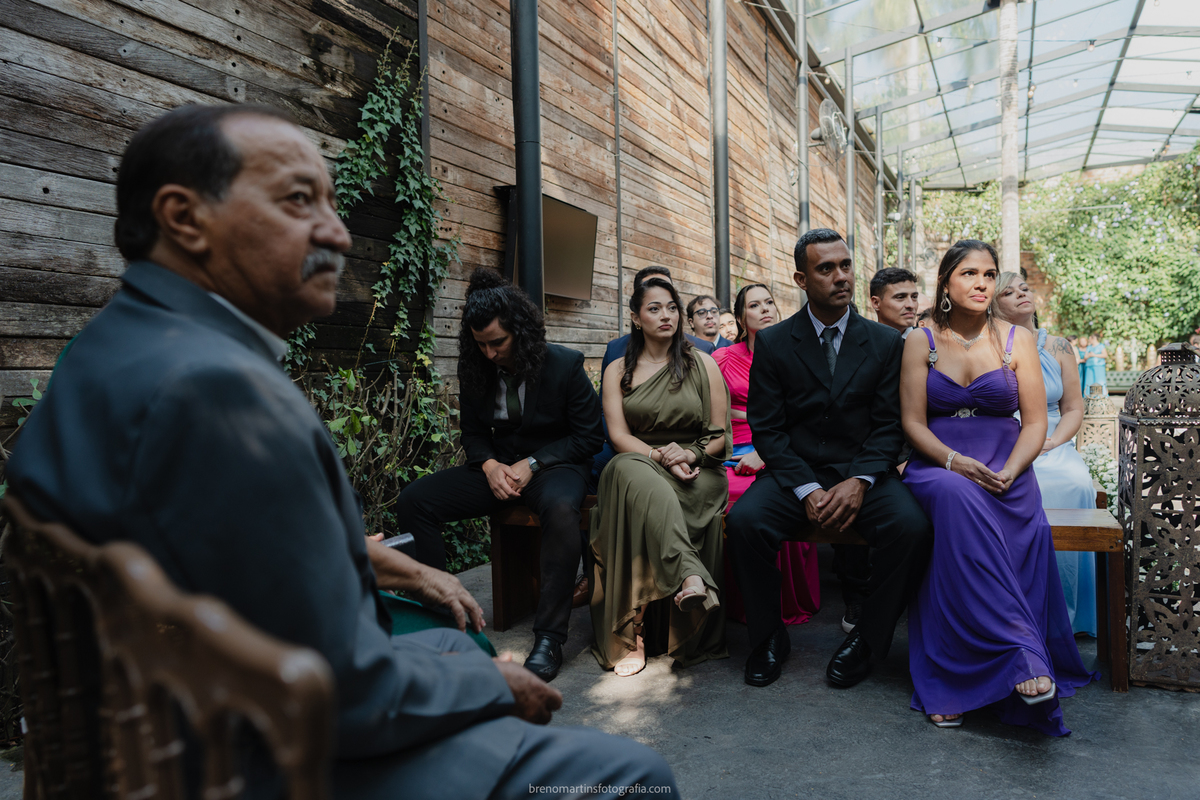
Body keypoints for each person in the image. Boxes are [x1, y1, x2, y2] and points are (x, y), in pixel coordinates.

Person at [5, 104, 677, 798]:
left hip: (174, 718)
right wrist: (482, 683)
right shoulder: (218, 389)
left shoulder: (107, 351)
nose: (338, 233)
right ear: (184, 218)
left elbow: (224, 559)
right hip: (266, 753)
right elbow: (343, 686)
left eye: (332, 201)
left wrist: (400, 567)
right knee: (636, 776)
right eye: (300, 200)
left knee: (455, 630)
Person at [899, 240, 1098, 735]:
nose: (982, 283)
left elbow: (1034, 423)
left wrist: (1011, 471)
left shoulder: (1017, 341)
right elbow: (912, 423)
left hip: (1006, 463)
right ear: (946, 282)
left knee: (1013, 527)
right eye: (969, 273)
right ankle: (1016, 654)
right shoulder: (918, 340)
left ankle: (997, 664)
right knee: (958, 498)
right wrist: (953, 462)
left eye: (989, 274)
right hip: (940, 464)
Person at [725, 228, 933, 689]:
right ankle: (768, 638)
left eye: (845, 266)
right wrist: (806, 487)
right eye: (825, 269)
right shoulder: (776, 342)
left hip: (863, 473)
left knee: (912, 528)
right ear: (802, 279)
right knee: (744, 524)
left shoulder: (884, 342)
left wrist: (860, 481)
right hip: (794, 475)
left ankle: (867, 638)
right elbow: (768, 427)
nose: (841, 277)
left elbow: (889, 426)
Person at [393, 268, 603, 682]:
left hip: (555, 466)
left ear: (520, 331)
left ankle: (549, 638)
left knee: (562, 510)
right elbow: (472, 432)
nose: (489, 353)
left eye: (498, 343)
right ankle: (441, 616)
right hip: (499, 469)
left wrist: (535, 463)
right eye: (481, 344)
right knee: (414, 501)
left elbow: (589, 437)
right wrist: (488, 465)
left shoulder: (565, 364)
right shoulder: (476, 367)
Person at [590, 277, 730, 677]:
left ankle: (641, 628)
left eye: (671, 307)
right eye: (654, 309)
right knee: (634, 475)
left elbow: (718, 436)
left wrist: (685, 454)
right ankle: (684, 578)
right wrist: (657, 455)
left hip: (695, 468)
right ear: (636, 318)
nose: (665, 315)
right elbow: (618, 436)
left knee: (653, 502)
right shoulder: (618, 370)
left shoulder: (703, 363)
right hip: (638, 460)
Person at [993, 273, 1097, 637]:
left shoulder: (1059, 347)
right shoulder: (987, 344)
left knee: (1074, 483)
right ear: (993, 304)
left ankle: (1067, 610)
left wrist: (1053, 442)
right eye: (1008, 291)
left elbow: (1073, 407)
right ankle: (1015, 610)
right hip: (1003, 438)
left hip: (1053, 439)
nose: (1021, 293)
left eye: (1024, 288)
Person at [714, 283, 820, 627]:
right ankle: (737, 599)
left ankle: (785, 600)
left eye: (769, 302)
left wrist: (764, 451)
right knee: (726, 491)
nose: (765, 309)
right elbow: (716, 414)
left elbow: (806, 416)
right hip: (732, 447)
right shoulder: (722, 359)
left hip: (785, 446)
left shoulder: (800, 353)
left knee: (779, 489)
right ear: (741, 318)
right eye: (754, 305)